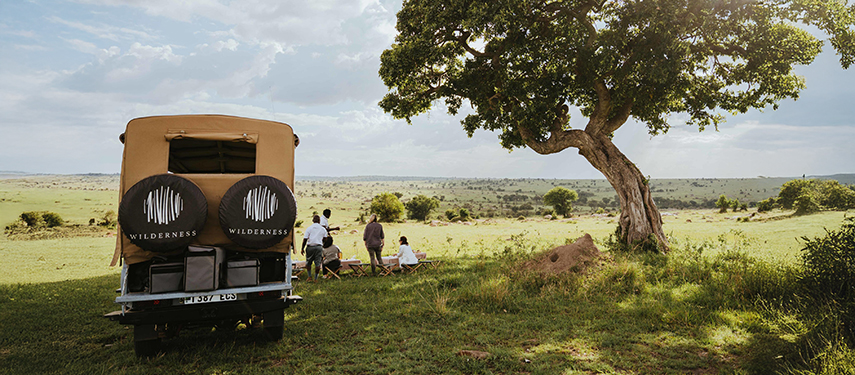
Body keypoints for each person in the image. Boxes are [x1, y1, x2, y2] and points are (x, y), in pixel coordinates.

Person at [300, 215, 325, 281]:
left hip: (310, 247)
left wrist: (302, 248)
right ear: (319, 221)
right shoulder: (322, 229)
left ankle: (309, 276)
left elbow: (305, 239)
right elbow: (325, 238)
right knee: (318, 263)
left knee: (308, 262)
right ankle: (316, 278)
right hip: (319, 247)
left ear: (313, 220)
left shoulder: (309, 228)